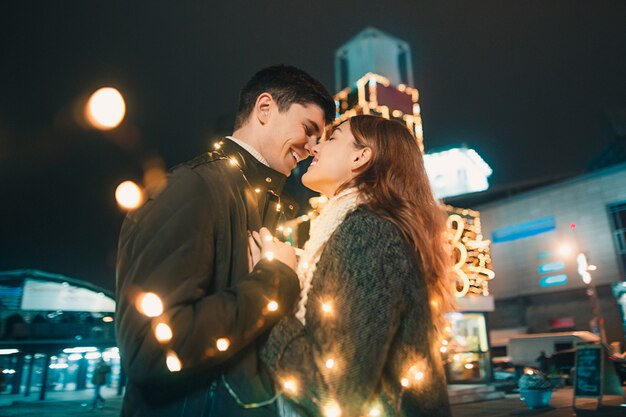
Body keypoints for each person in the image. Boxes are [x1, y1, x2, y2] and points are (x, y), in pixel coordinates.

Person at [115, 65, 335, 416]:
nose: (311, 148)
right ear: (264, 108)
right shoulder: (191, 188)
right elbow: (151, 350)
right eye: (308, 131)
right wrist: (275, 281)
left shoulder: (262, 203)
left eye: (319, 140)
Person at [259, 115, 454, 416]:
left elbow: (335, 389)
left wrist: (269, 293)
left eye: (332, 138)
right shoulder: (349, 231)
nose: (315, 148)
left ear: (361, 157)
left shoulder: (369, 232)